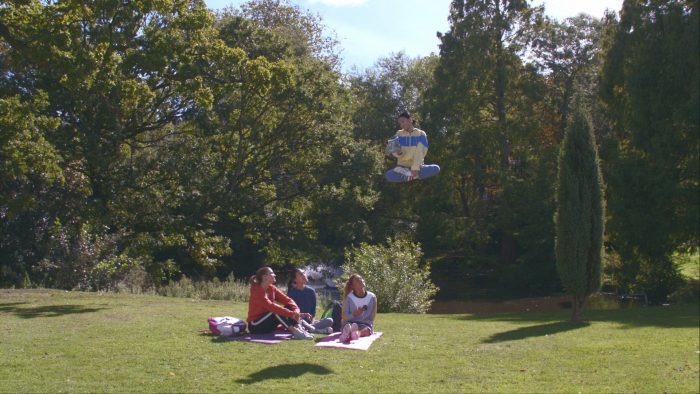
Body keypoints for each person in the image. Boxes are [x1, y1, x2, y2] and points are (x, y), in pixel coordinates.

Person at [246, 266, 313, 340]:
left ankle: (299, 328)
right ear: (265, 277)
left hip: (268, 324)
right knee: (275, 311)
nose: (275, 275)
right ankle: (295, 332)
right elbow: (270, 306)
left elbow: (289, 300)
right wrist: (292, 314)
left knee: (288, 307)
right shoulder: (257, 290)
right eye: (272, 273)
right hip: (255, 325)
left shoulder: (272, 288)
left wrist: (296, 312)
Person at [384, 111, 441, 182]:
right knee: (388, 175)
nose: (401, 125)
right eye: (400, 123)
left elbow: (421, 151)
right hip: (402, 167)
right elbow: (394, 150)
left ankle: (409, 175)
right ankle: (413, 176)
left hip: (418, 166)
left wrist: (415, 168)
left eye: (402, 121)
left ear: (410, 119)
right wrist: (399, 153)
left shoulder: (421, 133)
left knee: (436, 168)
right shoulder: (398, 133)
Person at [286, 268, 334, 334]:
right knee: (299, 325)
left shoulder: (311, 291)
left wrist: (312, 320)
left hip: (309, 322)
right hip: (298, 322)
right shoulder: (291, 293)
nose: (304, 275)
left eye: (304, 273)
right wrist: (301, 317)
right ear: (295, 279)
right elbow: (291, 313)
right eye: (301, 274)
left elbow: (313, 311)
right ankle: (317, 330)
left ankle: (308, 329)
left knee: (329, 320)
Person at [338, 273, 377, 342]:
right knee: (349, 326)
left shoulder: (372, 297)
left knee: (366, 330)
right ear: (352, 286)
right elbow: (344, 317)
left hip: (365, 324)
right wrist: (354, 314)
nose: (361, 280)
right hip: (349, 323)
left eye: (361, 278)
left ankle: (354, 334)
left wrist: (365, 321)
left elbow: (372, 317)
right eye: (357, 280)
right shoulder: (349, 298)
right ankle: (350, 331)